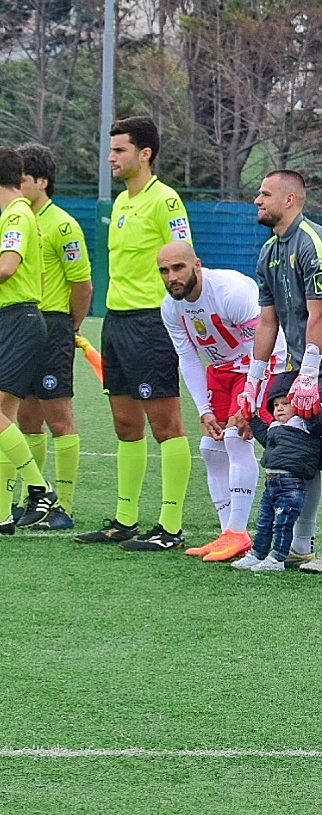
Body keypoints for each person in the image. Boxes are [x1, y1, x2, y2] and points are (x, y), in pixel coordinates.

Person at [75, 118, 194, 551]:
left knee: (166, 425)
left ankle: (170, 528)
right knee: (126, 425)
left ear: (145, 154)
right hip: (117, 321)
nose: (111, 158)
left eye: (119, 150)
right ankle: (125, 520)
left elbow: (185, 257)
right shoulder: (122, 202)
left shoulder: (165, 200)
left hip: (151, 323)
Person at [245, 170, 322, 574]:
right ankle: (301, 545)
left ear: (289, 200)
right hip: (302, 366)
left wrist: (309, 374)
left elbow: (321, 315)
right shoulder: (269, 251)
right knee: (303, 453)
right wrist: (254, 380)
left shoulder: (315, 243)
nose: (257, 201)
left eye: (265, 194)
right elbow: (268, 321)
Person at [159, 242, 285, 562]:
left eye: (178, 267)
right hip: (221, 371)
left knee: (235, 438)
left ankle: (239, 532)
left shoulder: (230, 292)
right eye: (164, 270)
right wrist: (204, 410)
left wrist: (252, 398)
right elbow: (188, 357)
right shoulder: (171, 307)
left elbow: (269, 343)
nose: (172, 277)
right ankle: (228, 533)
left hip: (258, 364)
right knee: (210, 448)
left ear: (197, 265)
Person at [6, 144, 91, 530]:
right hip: (22, 325)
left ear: (42, 181)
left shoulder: (63, 225)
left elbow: (82, 284)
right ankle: (31, 498)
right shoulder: (16, 217)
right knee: (24, 418)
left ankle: (64, 506)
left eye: (23, 178)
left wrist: (70, 327)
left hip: (52, 324)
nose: (16, 184)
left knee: (59, 417)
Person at [0, 148, 53, 530]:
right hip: (18, 318)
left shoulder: (16, 213)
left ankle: (39, 488)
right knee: (6, 417)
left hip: (18, 319)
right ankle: (3, 513)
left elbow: (7, 267)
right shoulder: (17, 213)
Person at [232, 373, 322, 572]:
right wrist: (251, 418)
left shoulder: (305, 423)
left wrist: (311, 405)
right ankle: (258, 553)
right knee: (264, 522)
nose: (279, 408)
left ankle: (278, 557)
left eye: (285, 403)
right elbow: (264, 437)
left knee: (283, 523)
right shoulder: (275, 427)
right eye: (276, 405)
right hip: (271, 482)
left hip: (291, 483)